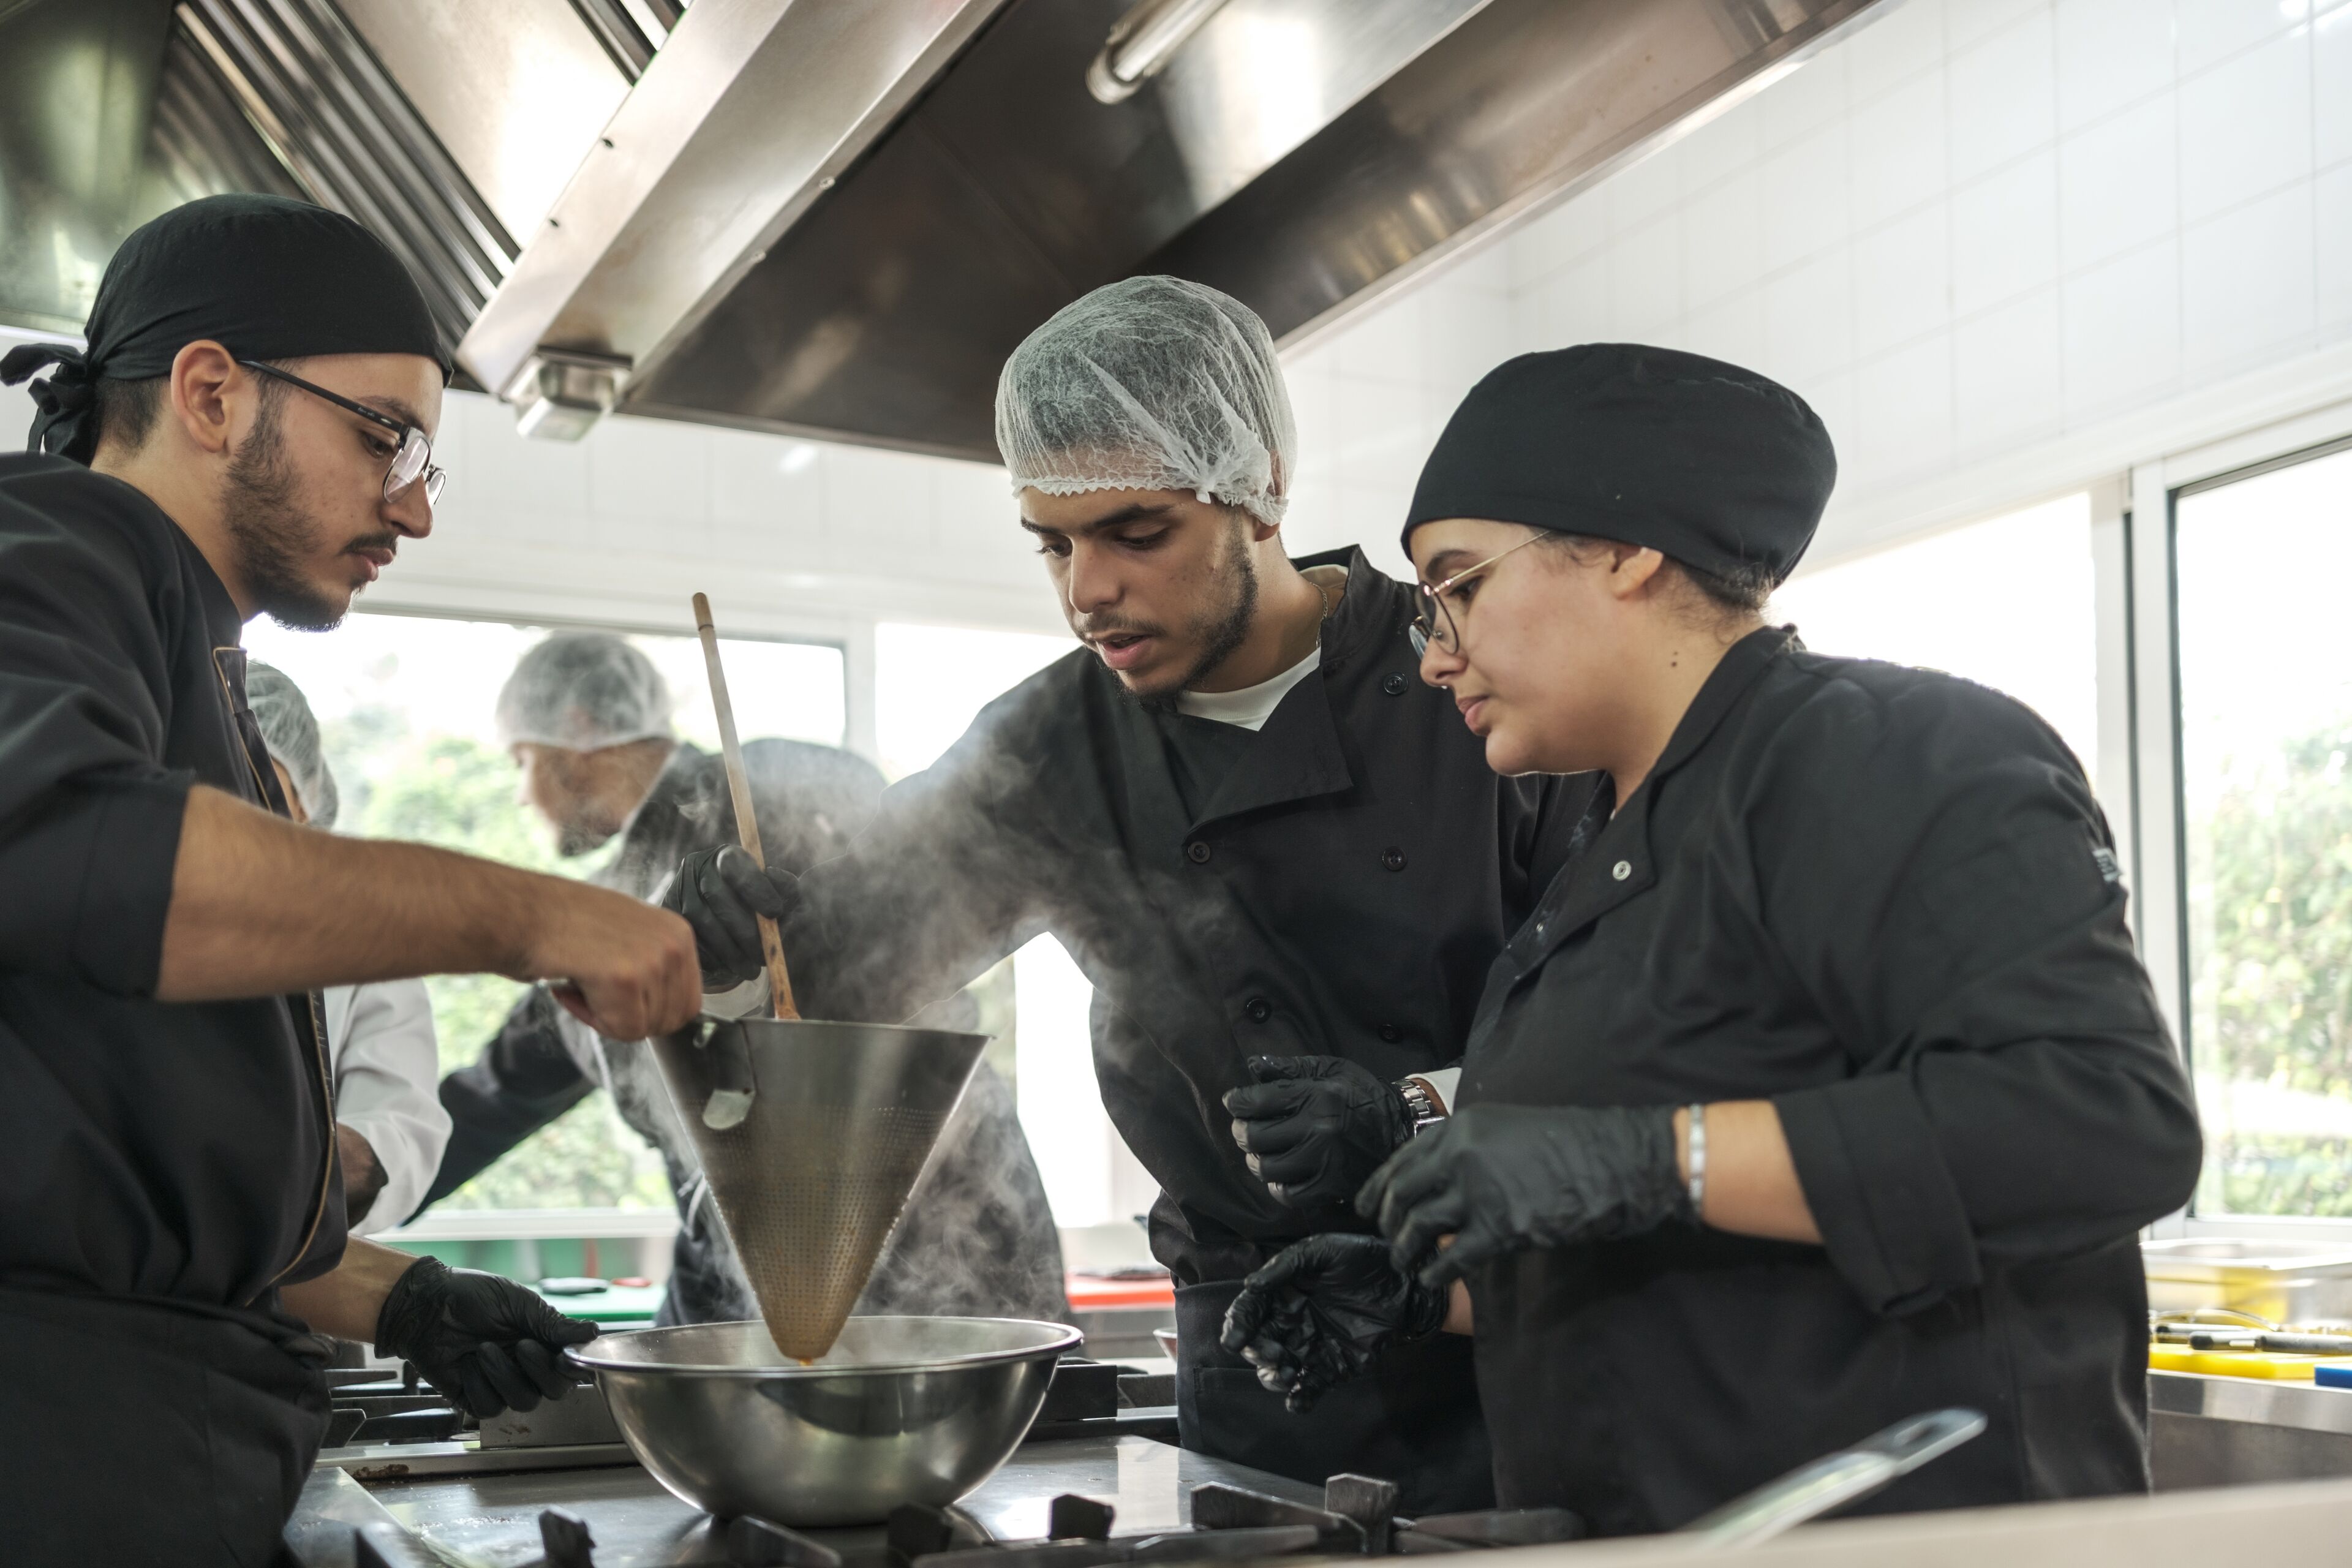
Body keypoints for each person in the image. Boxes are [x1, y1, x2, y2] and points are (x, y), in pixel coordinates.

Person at [1219, 344, 2205, 1534]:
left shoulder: (1886, 753)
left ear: (1627, 551)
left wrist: (1640, 1158)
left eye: (1459, 585)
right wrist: (1445, 1295)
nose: (1431, 653)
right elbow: (1726, 1253)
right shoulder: (1611, 832)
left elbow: (2100, 1125)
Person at [666, 277, 1599, 1510]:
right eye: (1053, 542)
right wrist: (719, 942)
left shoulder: (1470, 683)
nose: (1085, 588)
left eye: (1135, 531)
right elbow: (826, 977)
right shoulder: (1050, 746)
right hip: (1257, 1368)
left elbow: (1640, 1030)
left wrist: (1415, 1110)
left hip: (1523, 1318)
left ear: (1258, 482)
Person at [0, 194, 702, 1567]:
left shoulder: (201, 674)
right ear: (209, 393)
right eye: (382, 433)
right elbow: (61, 844)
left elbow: (132, 1164)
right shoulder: (60, 542)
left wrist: (406, 1298)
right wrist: (522, 911)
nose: (417, 505)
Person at [423, 632, 1068, 1325]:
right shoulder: (605, 913)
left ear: (577, 728)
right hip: (738, 1274)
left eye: (521, 760)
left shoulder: (766, 793)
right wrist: (335, 1190)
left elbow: (895, 909)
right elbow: (496, 1094)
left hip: (942, 1246)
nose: (521, 796)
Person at [247, 661, 453, 1234]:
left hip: (291, 1271)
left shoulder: (360, 938)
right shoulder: (98, 909)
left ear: (306, 802)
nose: (234, 813)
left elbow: (403, 1130)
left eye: (258, 781)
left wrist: (276, 1177)